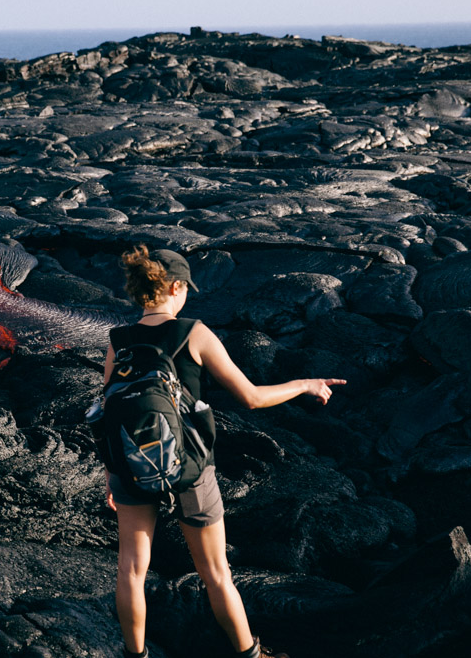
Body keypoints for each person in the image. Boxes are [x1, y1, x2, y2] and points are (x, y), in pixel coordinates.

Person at [103, 246, 346, 658]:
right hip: (192, 468)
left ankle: (135, 655)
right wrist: (304, 383)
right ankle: (250, 655)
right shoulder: (193, 332)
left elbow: (110, 411)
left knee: (131, 569)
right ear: (176, 287)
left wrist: (113, 474)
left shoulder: (118, 340)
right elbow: (250, 397)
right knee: (216, 573)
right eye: (186, 290)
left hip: (132, 463)